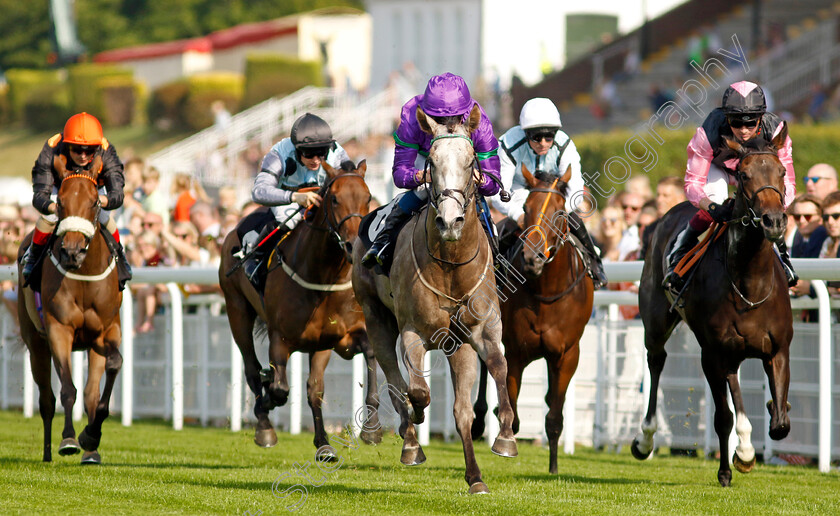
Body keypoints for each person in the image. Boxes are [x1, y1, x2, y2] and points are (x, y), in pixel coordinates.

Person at [662, 81, 797, 291]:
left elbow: (788, 181)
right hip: (720, 170)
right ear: (726, 118)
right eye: (736, 122)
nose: (743, 130)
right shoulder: (708, 133)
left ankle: (783, 256)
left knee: (771, 204)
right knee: (716, 196)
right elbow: (692, 184)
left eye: (751, 123)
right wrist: (711, 207)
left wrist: (777, 207)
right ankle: (680, 250)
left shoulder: (776, 129)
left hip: (757, 174)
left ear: (761, 117)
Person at [361, 72, 502, 268]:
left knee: (478, 202)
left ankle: (496, 256)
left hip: (462, 164)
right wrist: (421, 175)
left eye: (454, 118)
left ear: (465, 113)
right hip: (427, 160)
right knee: (420, 192)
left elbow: (494, 183)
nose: (448, 125)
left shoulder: (480, 123)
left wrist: (482, 179)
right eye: (440, 119)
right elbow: (400, 175)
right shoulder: (412, 118)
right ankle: (383, 242)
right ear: (428, 116)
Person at [487, 97, 607, 288]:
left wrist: (559, 213)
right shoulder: (508, 144)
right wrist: (518, 215)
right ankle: (494, 272)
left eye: (548, 137)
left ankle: (595, 265)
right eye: (536, 137)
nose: (543, 143)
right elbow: (499, 191)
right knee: (502, 231)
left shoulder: (566, 145)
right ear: (526, 134)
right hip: (520, 193)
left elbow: (576, 187)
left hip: (553, 196)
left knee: (575, 220)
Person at [235, 113, 351, 286]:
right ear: (296, 149)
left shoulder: (337, 153)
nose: (316, 160)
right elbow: (258, 192)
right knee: (288, 221)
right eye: (309, 154)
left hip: (322, 198)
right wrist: (295, 197)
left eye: (321, 153)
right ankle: (255, 257)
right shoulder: (279, 155)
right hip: (287, 199)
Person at [22, 112, 132, 290]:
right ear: (67, 145)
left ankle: (120, 256)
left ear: (97, 147)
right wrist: (54, 207)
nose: (83, 155)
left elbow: (117, 193)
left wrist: (101, 201)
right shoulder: (52, 149)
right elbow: (40, 195)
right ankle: (33, 256)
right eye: (77, 149)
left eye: (89, 150)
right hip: (61, 187)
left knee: (103, 217)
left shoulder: (106, 151)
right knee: (49, 219)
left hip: (93, 188)